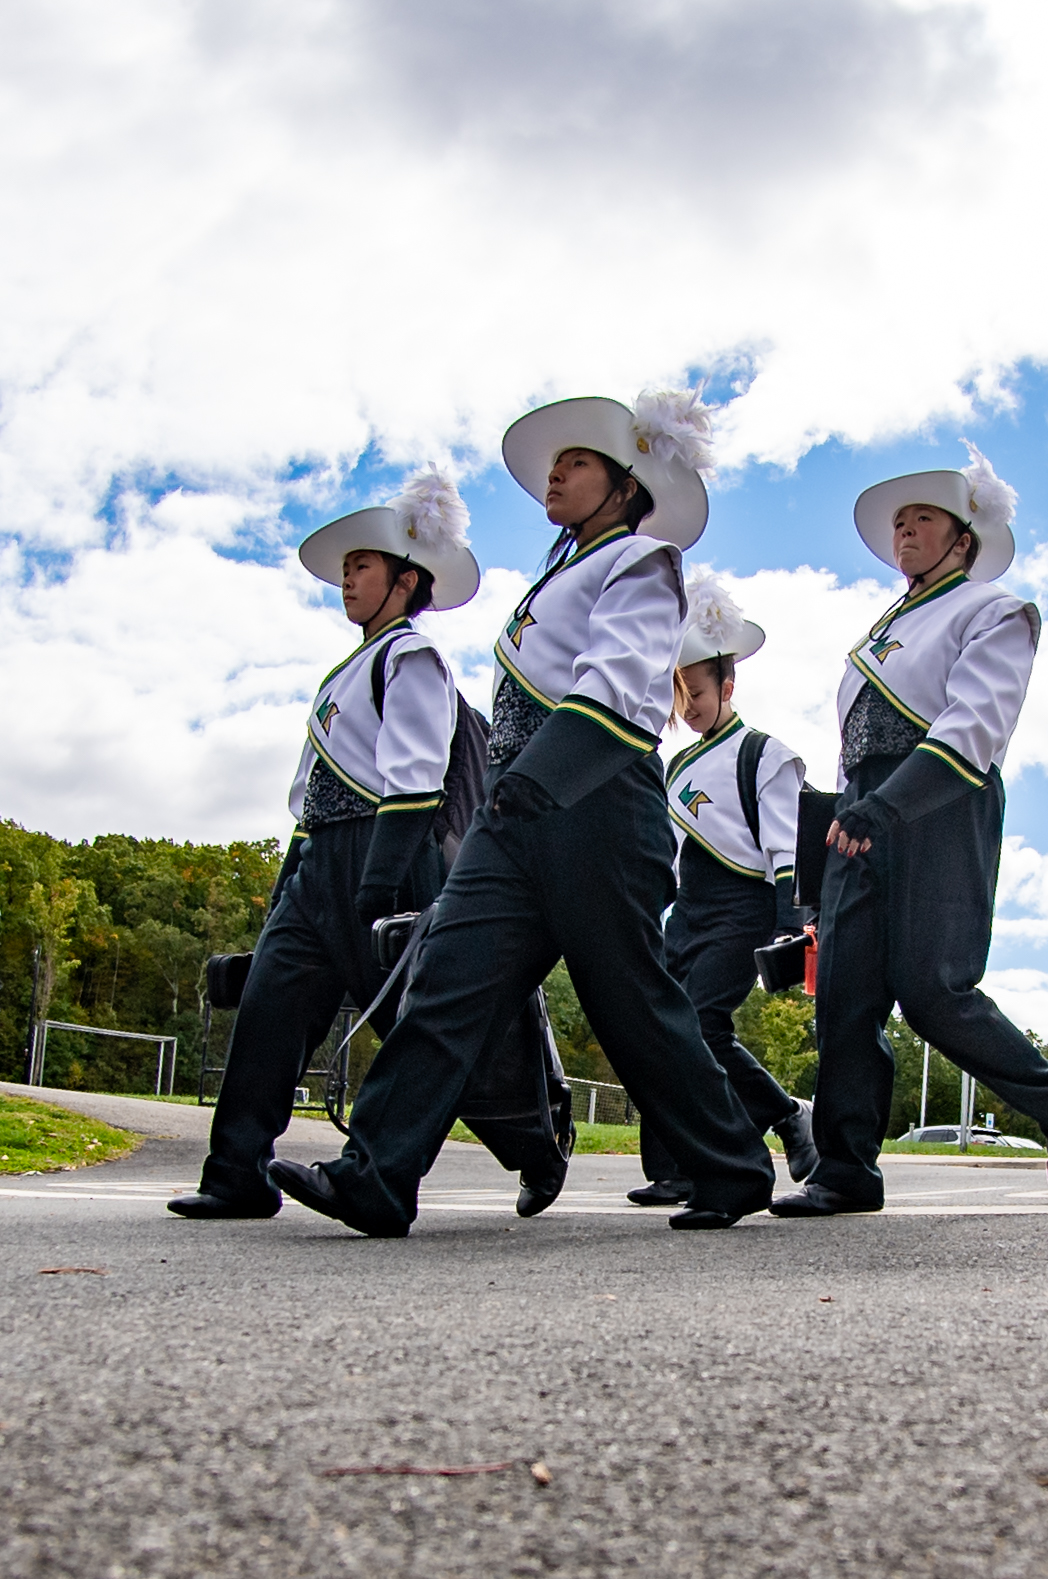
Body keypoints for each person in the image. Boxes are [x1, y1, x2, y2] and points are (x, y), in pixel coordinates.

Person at [271, 391, 779, 1235]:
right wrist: (515, 790)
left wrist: (536, 777)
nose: (555, 473)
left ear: (624, 485)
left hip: (598, 807)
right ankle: (378, 1173)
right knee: (447, 981)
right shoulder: (559, 575)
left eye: (576, 462)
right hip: (519, 810)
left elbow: (616, 687)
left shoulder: (642, 562)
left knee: (631, 1003)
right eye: (555, 463)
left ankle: (733, 1163)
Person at [170, 471, 555, 1217]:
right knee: (270, 1010)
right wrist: (293, 883)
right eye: (346, 569)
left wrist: (379, 880)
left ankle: (536, 1143)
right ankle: (236, 1173)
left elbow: (413, 774)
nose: (347, 580)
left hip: (389, 854)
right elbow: (310, 795)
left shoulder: (412, 657)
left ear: (406, 580)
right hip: (320, 860)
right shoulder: (344, 670)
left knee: (424, 1030)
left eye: (362, 567)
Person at [776, 446, 1048, 1217]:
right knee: (843, 996)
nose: (903, 531)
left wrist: (890, 802)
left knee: (931, 992)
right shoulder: (884, 624)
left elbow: (975, 723)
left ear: (964, 535)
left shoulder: (993, 608)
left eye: (922, 518)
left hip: (940, 800)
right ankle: (847, 1167)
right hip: (862, 808)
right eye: (898, 522)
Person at [625, 572, 818, 1206]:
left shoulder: (763, 753)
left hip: (744, 910)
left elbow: (785, 841)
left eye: (698, 693)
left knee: (701, 1025)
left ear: (728, 685)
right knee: (660, 1029)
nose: (687, 708)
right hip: (688, 914)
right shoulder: (675, 765)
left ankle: (786, 1115)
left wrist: (791, 918)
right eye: (679, 695)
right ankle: (676, 1169)